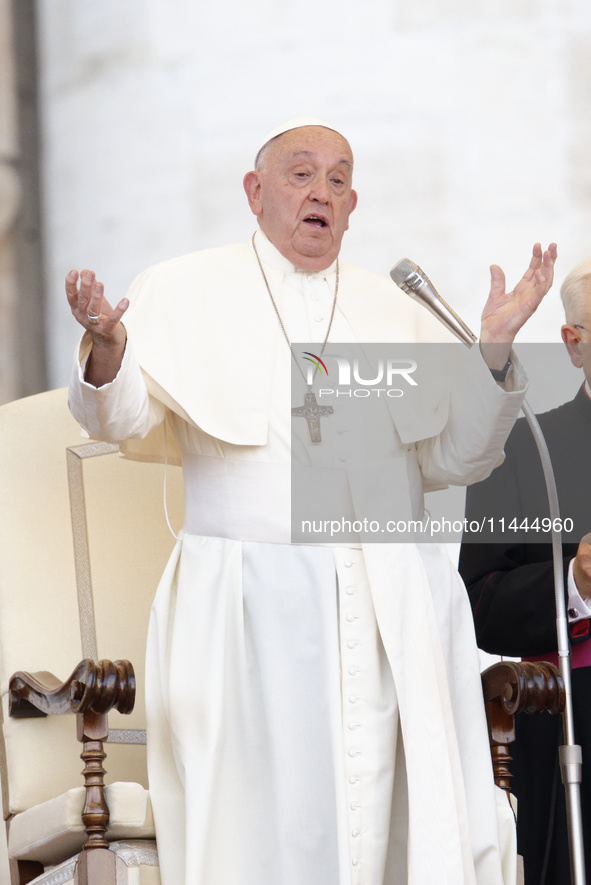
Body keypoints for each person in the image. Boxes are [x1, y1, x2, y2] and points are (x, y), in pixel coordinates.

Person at [66, 117, 557, 885]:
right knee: (264, 839)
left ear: (353, 204)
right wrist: (107, 350)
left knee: (401, 837)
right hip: (250, 608)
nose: (320, 191)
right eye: (300, 174)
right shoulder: (184, 287)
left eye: (337, 178)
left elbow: (455, 457)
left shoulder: (396, 306)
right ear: (254, 192)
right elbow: (121, 418)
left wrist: (490, 353)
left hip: (393, 608)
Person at [459, 257, 591, 885]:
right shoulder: (521, 445)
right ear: (574, 342)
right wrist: (575, 583)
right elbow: (480, 600)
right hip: (572, 713)